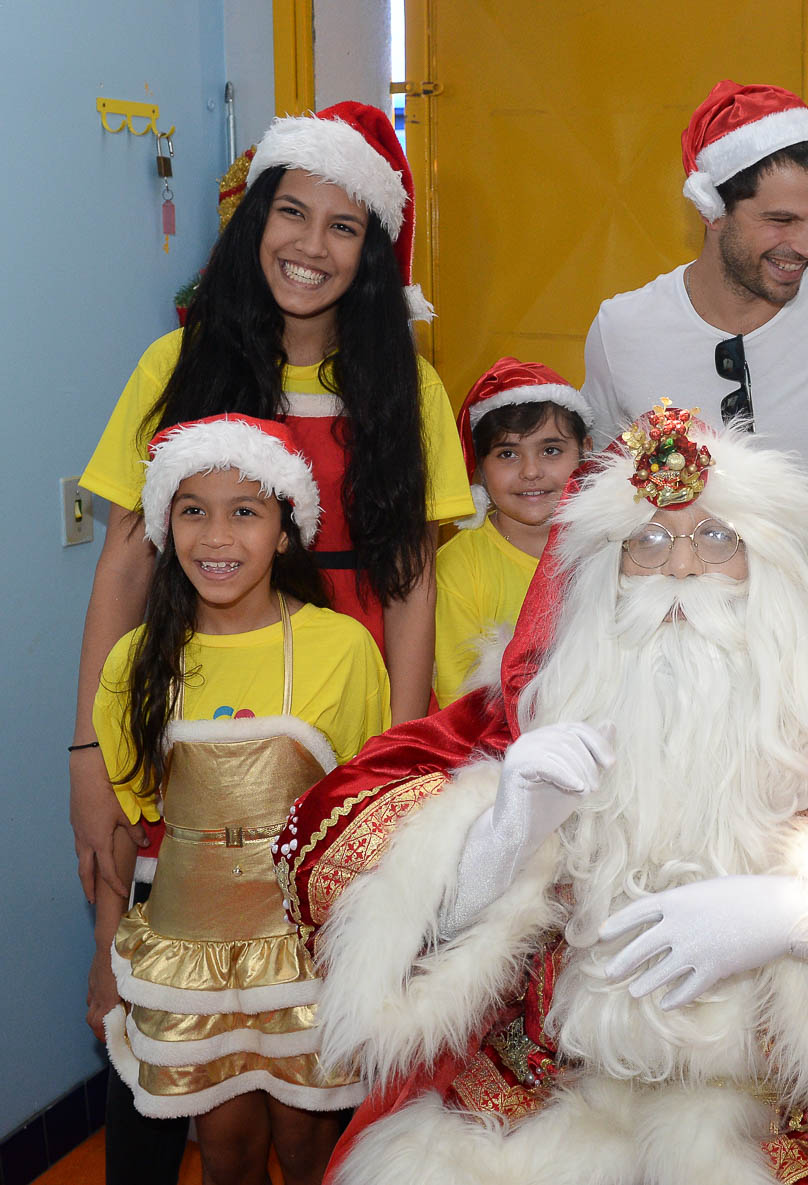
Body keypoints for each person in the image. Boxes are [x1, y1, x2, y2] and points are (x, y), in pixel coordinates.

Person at [277, 403, 808, 1185]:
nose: (682, 570)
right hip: (555, 1092)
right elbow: (327, 856)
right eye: (648, 544)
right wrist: (500, 833)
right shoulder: (545, 695)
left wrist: (807, 911)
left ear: (766, 559)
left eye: (716, 539)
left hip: (787, 1119)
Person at [71, 100, 472, 902]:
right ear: (256, 219)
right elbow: (123, 565)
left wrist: (389, 760)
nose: (311, 246)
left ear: (372, 251)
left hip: (352, 703)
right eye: (292, 211)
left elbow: (410, 581)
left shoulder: (408, 387)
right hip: (198, 692)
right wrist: (89, 755)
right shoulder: (173, 367)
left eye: (344, 226)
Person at [86, 414, 387, 1185]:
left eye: (245, 511)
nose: (216, 535)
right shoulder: (135, 661)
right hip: (189, 948)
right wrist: (103, 953)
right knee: (225, 1150)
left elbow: (371, 822)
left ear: (286, 531)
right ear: (165, 525)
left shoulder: (341, 648)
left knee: (308, 1144)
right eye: (193, 509)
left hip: (305, 951)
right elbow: (125, 829)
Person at [580, 80, 808, 566]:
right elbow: (600, 496)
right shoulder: (623, 330)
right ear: (712, 209)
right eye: (781, 220)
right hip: (684, 627)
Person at [434, 358, 593, 708]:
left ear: (586, 451)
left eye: (551, 450)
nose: (531, 471)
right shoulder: (458, 568)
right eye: (507, 453)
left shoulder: (614, 547)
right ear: (479, 465)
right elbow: (461, 705)